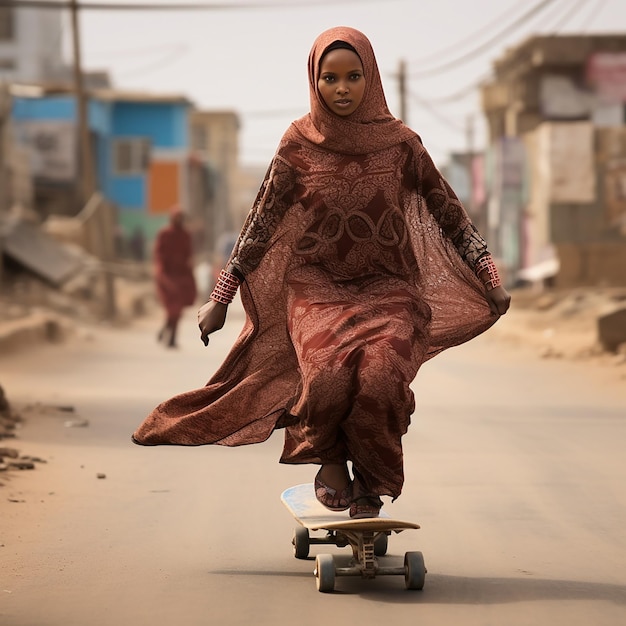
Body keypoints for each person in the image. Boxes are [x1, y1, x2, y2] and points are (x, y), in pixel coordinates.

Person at [133, 27, 511, 518]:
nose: (342, 88)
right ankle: (330, 457)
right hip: (316, 291)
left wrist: (490, 278)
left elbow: (450, 214)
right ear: (315, 81)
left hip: (390, 290)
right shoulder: (298, 144)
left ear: (370, 78)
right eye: (329, 78)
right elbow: (261, 223)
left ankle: (371, 485)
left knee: (379, 381)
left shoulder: (402, 146)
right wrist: (221, 297)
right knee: (328, 379)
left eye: (353, 76)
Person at [153, 206, 197, 349]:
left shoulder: (185, 235)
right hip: (167, 276)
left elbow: (188, 256)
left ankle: (169, 334)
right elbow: (159, 255)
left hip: (181, 277)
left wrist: (190, 276)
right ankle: (169, 335)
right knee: (172, 309)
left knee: (177, 309)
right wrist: (161, 274)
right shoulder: (164, 234)